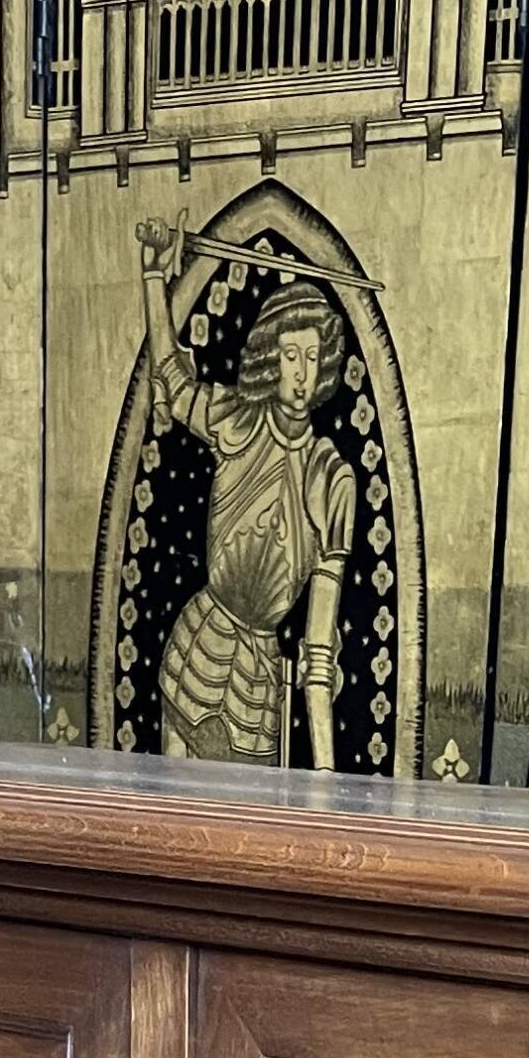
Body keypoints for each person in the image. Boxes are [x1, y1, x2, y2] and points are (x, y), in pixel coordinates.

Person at [133, 223, 359, 771]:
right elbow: (170, 374)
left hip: (258, 685)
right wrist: (152, 275)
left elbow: (319, 655)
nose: (302, 374)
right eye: (290, 356)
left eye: (311, 356)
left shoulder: (334, 478)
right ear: (269, 359)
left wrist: (326, 776)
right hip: (195, 649)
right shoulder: (238, 420)